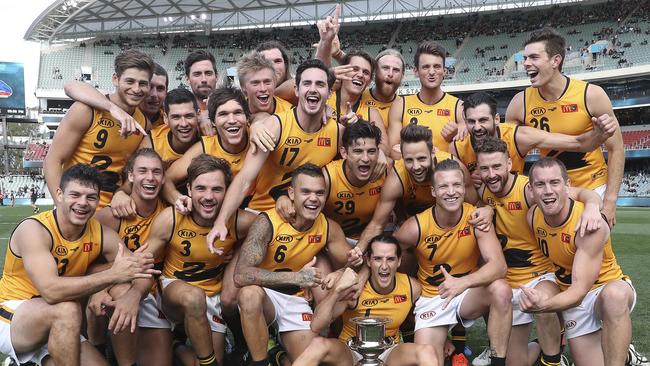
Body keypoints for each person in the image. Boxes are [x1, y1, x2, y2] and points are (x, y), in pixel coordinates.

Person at [0, 164, 157, 365]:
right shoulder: (34, 229)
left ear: (98, 200)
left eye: (91, 197)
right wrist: (111, 277)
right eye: (75, 195)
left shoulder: (100, 232)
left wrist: (133, 297)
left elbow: (142, 271)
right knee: (67, 308)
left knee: (122, 290)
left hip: (63, 323)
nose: (83, 203)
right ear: (59, 194)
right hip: (13, 316)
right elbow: (51, 292)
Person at [475, 138, 606, 366]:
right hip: (509, 281)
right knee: (517, 362)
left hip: (540, 276)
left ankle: (553, 359)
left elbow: (580, 193)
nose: (491, 173)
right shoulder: (485, 192)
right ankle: (540, 344)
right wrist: (485, 209)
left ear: (508, 164)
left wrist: (594, 206)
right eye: (484, 168)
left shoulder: (531, 189)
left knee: (544, 303)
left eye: (496, 166)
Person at [207, 59, 343, 247]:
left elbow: (356, 159)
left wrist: (382, 155)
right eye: (307, 83)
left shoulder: (338, 133)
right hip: (263, 215)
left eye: (320, 84)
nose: (313, 89)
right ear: (296, 90)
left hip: (306, 222)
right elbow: (246, 178)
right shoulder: (275, 126)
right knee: (238, 275)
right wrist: (221, 221)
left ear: (329, 93)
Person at [394, 159, 512, 366]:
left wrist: (462, 283)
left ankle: (497, 362)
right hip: (433, 297)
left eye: (456, 185)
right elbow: (391, 262)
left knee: (501, 290)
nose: (451, 192)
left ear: (464, 188)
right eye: (444, 186)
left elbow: (499, 266)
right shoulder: (415, 228)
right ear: (433, 191)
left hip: (467, 295)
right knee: (429, 360)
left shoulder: (475, 218)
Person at [233, 163, 353, 365]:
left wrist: (339, 272)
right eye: (305, 191)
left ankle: (279, 356)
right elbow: (240, 275)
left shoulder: (328, 227)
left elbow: (352, 263)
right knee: (248, 294)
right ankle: (261, 362)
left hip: (296, 300)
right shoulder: (267, 222)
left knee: (306, 360)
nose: (313, 199)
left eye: (319, 193)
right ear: (291, 193)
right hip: (266, 295)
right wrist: (296, 277)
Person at [505, 27, 624, 228]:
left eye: (534, 57)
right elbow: (510, 154)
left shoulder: (591, 95)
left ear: (555, 60)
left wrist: (610, 201)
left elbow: (616, 148)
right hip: (549, 193)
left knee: (590, 254)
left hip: (593, 188)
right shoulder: (519, 103)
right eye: (525, 58)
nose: (525, 63)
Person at [521, 157, 635, 366]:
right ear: (531, 189)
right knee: (540, 289)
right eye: (540, 184)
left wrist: (544, 306)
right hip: (568, 290)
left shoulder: (590, 224)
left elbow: (579, 292)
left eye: (554, 183)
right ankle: (555, 359)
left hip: (602, 288)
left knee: (614, 296)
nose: (547, 190)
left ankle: (623, 357)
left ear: (567, 186)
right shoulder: (532, 216)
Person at [145, 154, 258, 366]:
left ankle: (176, 345)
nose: (208, 196)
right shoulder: (171, 219)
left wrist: (240, 253)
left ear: (228, 192)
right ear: (188, 190)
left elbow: (267, 229)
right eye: (201, 188)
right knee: (193, 298)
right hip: (174, 293)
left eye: (217, 189)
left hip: (212, 296)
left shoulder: (238, 221)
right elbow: (143, 261)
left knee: (203, 358)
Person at [293, 235, 439, 366]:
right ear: (368, 261)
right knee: (318, 345)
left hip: (389, 352)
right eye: (377, 259)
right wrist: (337, 291)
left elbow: (423, 317)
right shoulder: (354, 288)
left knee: (427, 351)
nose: (384, 266)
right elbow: (316, 326)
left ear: (399, 261)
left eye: (390, 259)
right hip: (352, 351)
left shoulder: (411, 287)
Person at [44, 49, 153, 209]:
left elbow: (134, 173)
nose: (136, 89)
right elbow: (52, 161)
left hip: (113, 211)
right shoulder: (87, 110)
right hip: (77, 206)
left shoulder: (143, 124)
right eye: (130, 81)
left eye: (143, 83)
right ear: (115, 79)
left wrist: (122, 193)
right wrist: (62, 207)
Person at [355, 123, 482, 253]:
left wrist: (487, 211)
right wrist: (358, 251)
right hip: (412, 232)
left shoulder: (454, 169)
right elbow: (377, 224)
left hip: (452, 230)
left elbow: (475, 205)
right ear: (402, 156)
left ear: (433, 152)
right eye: (409, 160)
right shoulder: (397, 176)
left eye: (421, 159)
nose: (416, 167)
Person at [93, 148, 168, 366]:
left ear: (163, 178)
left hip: (151, 290)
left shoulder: (170, 213)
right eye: (142, 171)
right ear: (131, 176)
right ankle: (109, 350)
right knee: (120, 290)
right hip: (114, 286)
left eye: (156, 172)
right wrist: (100, 289)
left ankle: (175, 343)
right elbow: (84, 263)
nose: (150, 178)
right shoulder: (111, 216)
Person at [452, 92, 619, 188]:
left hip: (518, 205)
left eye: (483, 120)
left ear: (496, 119)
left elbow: (577, 143)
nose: (477, 127)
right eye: (471, 121)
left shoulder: (518, 137)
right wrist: (469, 179)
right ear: (465, 122)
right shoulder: (457, 146)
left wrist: (600, 135)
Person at [162, 87, 251, 212]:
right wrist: (178, 199)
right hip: (217, 210)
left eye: (237, 112)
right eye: (223, 114)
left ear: (247, 117)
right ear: (213, 121)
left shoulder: (258, 136)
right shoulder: (205, 147)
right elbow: (166, 178)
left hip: (255, 209)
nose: (232, 120)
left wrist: (259, 123)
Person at [388, 41, 464, 156]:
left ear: (445, 71)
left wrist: (454, 139)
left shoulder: (459, 108)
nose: (432, 72)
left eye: (437, 66)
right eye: (426, 67)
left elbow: (465, 155)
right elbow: (394, 152)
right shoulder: (400, 106)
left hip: (446, 172)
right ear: (416, 72)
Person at [237, 51, 292, 120]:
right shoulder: (234, 115)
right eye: (255, 83)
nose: (263, 89)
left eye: (267, 82)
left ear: (274, 83)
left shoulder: (290, 114)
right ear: (243, 88)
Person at [185, 50, 219, 136]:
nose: (204, 79)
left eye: (208, 73)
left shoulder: (233, 107)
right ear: (187, 79)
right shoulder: (178, 112)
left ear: (216, 76)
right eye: (197, 74)